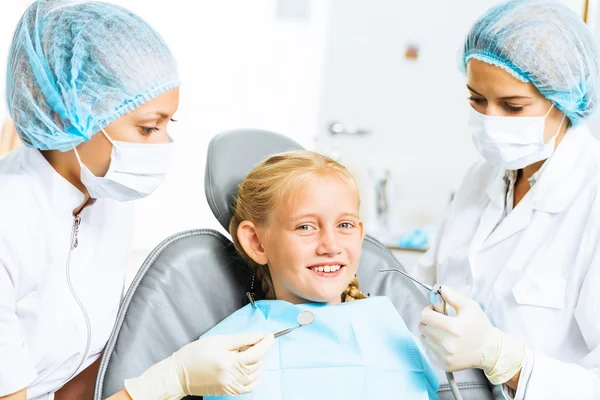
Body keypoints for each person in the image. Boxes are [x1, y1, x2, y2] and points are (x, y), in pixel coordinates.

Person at [0, 1, 272, 399]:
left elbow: (76, 376)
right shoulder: (9, 221)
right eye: (147, 128)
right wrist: (168, 382)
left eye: (167, 124)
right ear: (67, 115)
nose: (163, 145)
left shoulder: (108, 200)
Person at [413, 0, 600, 398]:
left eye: (512, 106)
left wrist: (503, 358)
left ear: (562, 99)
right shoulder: (482, 177)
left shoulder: (592, 197)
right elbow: (423, 288)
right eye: (477, 100)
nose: (490, 120)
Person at [164, 150, 439, 399]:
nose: (331, 246)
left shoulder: (394, 333)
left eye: (344, 225)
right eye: (305, 227)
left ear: (360, 233)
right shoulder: (224, 352)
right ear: (256, 242)